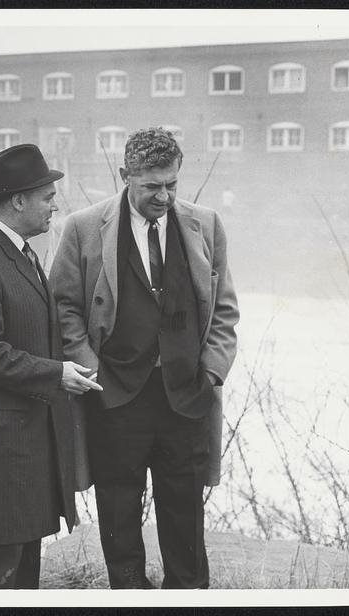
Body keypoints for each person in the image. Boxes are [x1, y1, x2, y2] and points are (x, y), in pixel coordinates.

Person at [50, 127, 239, 589]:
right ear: (124, 176)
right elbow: (63, 307)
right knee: (118, 506)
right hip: (115, 395)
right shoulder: (82, 228)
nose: (165, 197)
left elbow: (226, 309)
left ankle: (189, 593)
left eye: (172, 184)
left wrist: (212, 371)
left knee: (184, 507)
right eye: (152, 187)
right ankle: (129, 594)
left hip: (186, 394)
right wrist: (92, 369)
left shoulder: (207, 224)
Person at [0, 143, 102, 589]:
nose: (55, 204)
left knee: (22, 572)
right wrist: (57, 374)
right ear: (18, 201)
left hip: (24, 443)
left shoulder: (21, 253)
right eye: (47, 196)